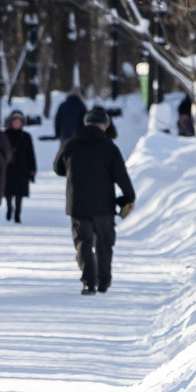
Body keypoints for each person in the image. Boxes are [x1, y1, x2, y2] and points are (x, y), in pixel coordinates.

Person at [58, 107, 136, 294]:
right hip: (104, 206)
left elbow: (58, 168)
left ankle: (88, 282)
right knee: (104, 243)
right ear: (105, 126)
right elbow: (121, 176)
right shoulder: (109, 147)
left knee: (83, 243)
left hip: (78, 204)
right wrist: (128, 197)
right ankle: (103, 281)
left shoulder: (71, 144)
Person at [2, 111, 38, 223]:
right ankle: (9, 208)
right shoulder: (4, 135)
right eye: (15, 122)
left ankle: (17, 213)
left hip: (22, 168)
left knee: (19, 194)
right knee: (8, 192)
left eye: (19, 122)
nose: (17, 124)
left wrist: (32, 169)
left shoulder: (26, 137)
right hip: (8, 168)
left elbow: (31, 154)